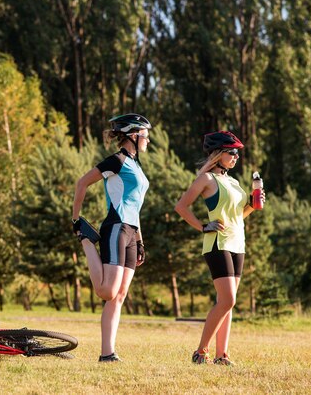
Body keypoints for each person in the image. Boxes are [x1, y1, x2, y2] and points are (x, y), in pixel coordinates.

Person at [174, 131, 265, 366]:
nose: (236, 157)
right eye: (232, 152)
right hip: (217, 243)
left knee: (228, 303)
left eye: (237, 153)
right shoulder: (206, 179)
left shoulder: (233, 182)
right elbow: (182, 207)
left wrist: (254, 205)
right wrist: (203, 226)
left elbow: (239, 214)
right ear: (219, 154)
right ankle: (201, 351)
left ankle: (221, 355)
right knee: (228, 300)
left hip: (237, 242)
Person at [72, 113, 152, 362]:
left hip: (131, 231)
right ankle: (86, 239)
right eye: (145, 136)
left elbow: (135, 206)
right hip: (115, 227)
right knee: (107, 291)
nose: (148, 140)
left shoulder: (136, 164)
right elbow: (82, 183)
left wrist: (139, 240)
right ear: (133, 135)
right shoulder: (116, 160)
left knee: (119, 296)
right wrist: (76, 219)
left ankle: (107, 353)